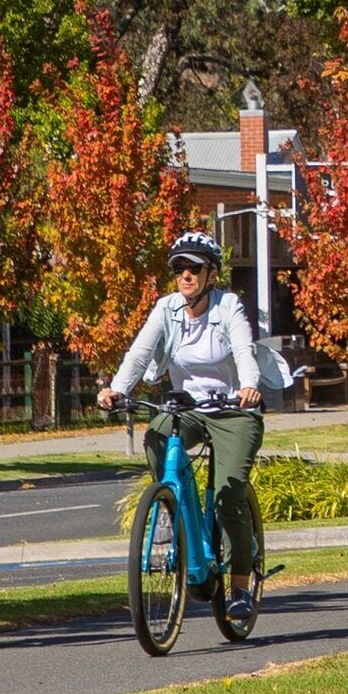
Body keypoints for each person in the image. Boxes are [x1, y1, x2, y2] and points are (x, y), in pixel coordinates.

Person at [98, 229, 266, 620]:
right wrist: (117, 389)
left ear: (212, 275)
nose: (186, 275)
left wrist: (249, 387)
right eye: (179, 268)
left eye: (194, 268)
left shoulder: (229, 308)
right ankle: (173, 512)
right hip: (187, 408)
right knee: (157, 437)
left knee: (229, 494)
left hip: (233, 410)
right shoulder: (166, 308)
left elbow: (243, 349)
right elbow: (140, 353)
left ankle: (240, 585)